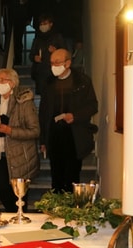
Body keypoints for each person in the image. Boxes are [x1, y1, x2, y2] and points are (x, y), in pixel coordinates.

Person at [39, 48, 98, 193]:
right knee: (56, 177)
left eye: (57, 62)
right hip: (54, 134)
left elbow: (92, 106)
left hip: (74, 135)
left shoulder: (82, 81)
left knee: (72, 176)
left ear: (68, 63)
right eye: (52, 62)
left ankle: (71, 209)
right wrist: (43, 140)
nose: (53, 66)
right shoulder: (48, 83)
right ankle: (56, 206)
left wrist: (75, 116)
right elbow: (43, 112)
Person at [0, 68, 40, 212]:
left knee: (19, 196)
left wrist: (10, 131)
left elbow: (35, 130)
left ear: (13, 83)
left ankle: (20, 222)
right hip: (0, 155)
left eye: (3, 80)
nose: (0, 83)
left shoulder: (24, 102)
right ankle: (12, 218)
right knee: (3, 192)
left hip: (20, 156)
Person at [29, 13, 66, 98]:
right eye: (41, 24)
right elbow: (31, 55)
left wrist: (56, 51)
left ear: (51, 24)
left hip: (54, 72)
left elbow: (65, 53)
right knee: (44, 97)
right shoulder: (37, 39)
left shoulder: (57, 37)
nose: (43, 26)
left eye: (45, 23)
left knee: (55, 96)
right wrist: (35, 58)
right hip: (41, 73)